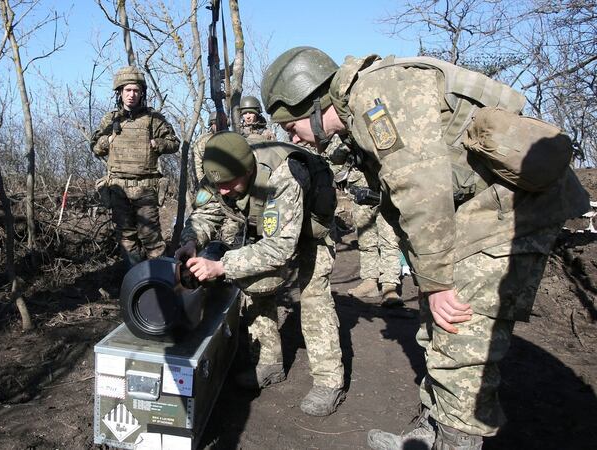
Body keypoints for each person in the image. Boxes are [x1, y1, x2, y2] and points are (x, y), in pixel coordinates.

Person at [260, 47, 590, 448]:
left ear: (311, 103)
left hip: (510, 214)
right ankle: (432, 431)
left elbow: (422, 189)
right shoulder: (360, 108)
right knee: (435, 330)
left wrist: (437, 283)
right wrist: (431, 279)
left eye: (290, 125)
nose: (290, 136)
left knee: (459, 339)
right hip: (478, 212)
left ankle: (455, 441)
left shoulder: (376, 96)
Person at [175, 131, 346, 417]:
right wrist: (191, 240)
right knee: (254, 284)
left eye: (230, 185)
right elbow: (206, 213)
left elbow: (281, 247)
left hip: (310, 233)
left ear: (249, 169)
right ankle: (269, 363)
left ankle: (329, 381)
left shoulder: (282, 176)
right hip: (272, 233)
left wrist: (221, 266)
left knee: (314, 297)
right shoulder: (220, 172)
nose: (225, 191)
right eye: (220, 186)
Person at [90, 66, 180, 267]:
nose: (131, 95)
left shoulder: (153, 118)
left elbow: (174, 142)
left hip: (145, 187)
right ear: (120, 92)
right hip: (118, 187)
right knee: (126, 239)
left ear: (141, 93)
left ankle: (162, 280)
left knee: (151, 237)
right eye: (127, 90)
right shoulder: (110, 119)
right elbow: (95, 148)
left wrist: (158, 144)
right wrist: (108, 140)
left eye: (136, 90)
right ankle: (137, 281)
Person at [346, 167, 403, 307]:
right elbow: (336, 156)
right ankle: (369, 282)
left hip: (386, 188)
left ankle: (389, 287)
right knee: (366, 243)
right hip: (361, 189)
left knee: (390, 242)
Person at [191, 111, 240, 246]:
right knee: (200, 213)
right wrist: (205, 183)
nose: (217, 126)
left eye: (221, 123)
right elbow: (198, 165)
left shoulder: (233, 138)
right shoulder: (202, 142)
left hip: (232, 185)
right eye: (214, 124)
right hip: (210, 183)